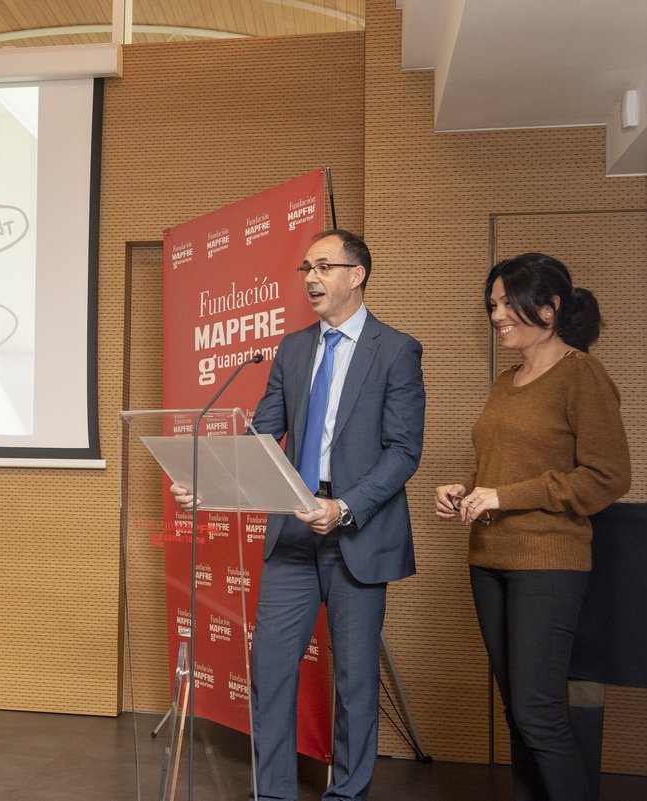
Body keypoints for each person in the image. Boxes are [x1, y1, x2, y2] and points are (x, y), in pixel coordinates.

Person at [173, 229, 425, 801]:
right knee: (271, 669)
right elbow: (264, 433)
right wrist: (213, 484)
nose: (311, 278)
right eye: (305, 268)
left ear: (356, 275)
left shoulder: (396, 349)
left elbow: (404, 451)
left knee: (355, 680)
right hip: (293, 527)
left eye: (323, 266)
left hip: (356, 530)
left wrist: (345, 507)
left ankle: (347, 795)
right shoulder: (291, 348)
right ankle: (274, 794)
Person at [435, 252, 630, 801]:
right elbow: (504, 467)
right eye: (492, 304)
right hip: (488, 559)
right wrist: (467, 488)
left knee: (538, 714)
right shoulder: (507, 380)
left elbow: (608, 476)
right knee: (517, 716)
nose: (496, 315)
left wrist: (505, 496)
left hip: (547, 564)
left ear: (550, 307)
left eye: (508, 303)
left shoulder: (581, 374)